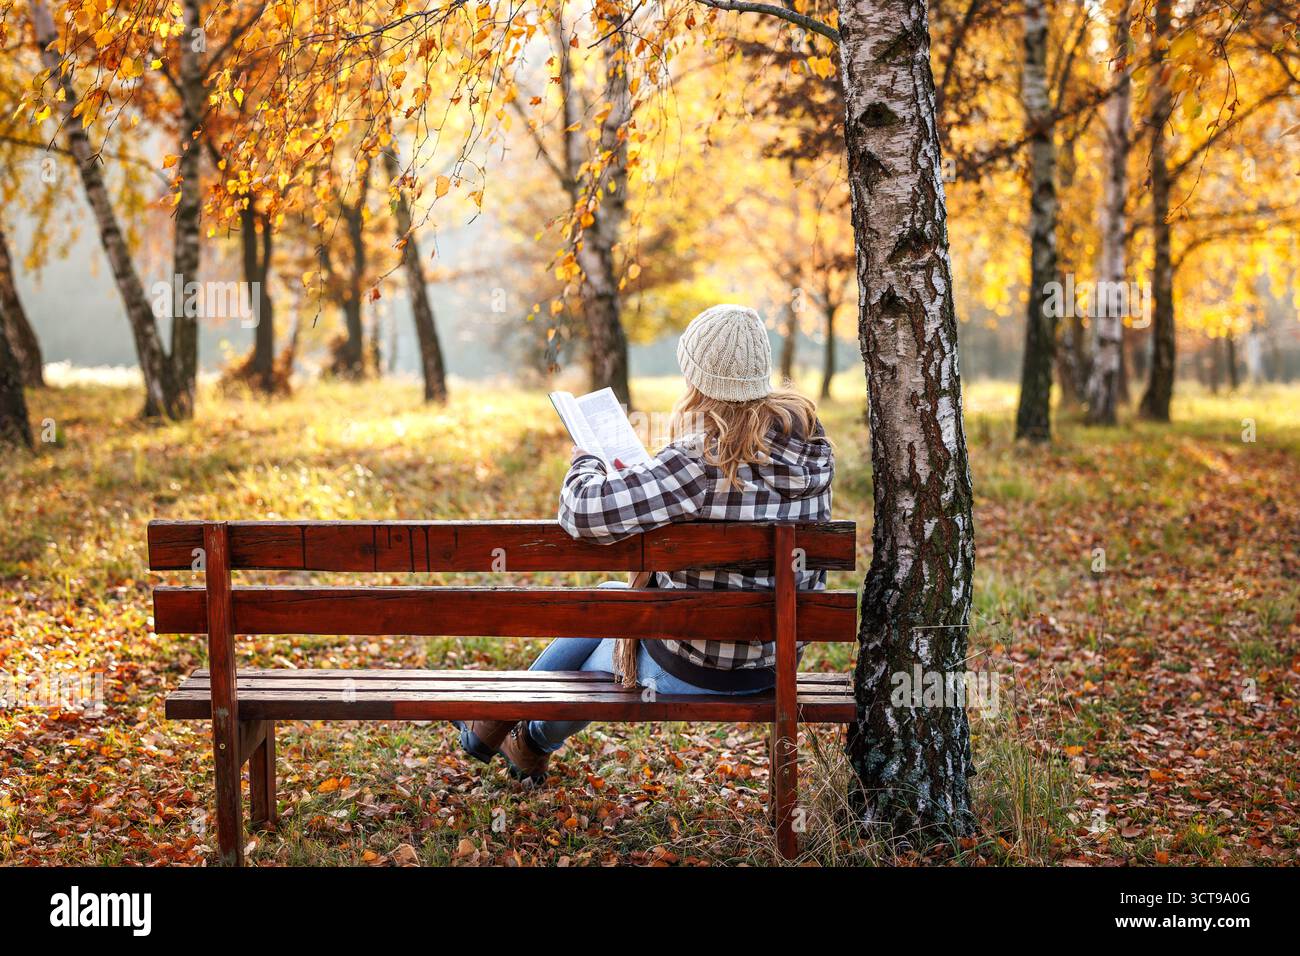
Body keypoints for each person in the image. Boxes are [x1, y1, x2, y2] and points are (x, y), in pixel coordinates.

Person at [454, 304, 835, 782]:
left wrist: (587, 460)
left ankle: (517, 732)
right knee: (613, 600)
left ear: (698, 381)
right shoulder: (813, 451)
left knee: (609, 626)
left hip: (698, 671)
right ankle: (504, 728)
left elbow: (583, 512)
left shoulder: (698, 463)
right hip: (773, 667)